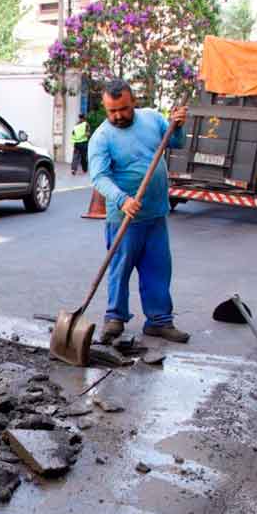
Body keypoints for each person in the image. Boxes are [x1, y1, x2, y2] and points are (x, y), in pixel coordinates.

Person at [87, 79, 190, 345]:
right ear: (105, 108)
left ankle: (159, 322)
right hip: (124, 217)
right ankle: (114, 319)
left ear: (133, 101)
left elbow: (176, 142)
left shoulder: (153, 119)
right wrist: (122, 200)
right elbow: (99, 177)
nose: (118, 116)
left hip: (156, 213)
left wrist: (178, 126)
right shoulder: (102, 137)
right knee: (120, 270)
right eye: (112, 111)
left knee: (158, 268)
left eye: (122, 109)